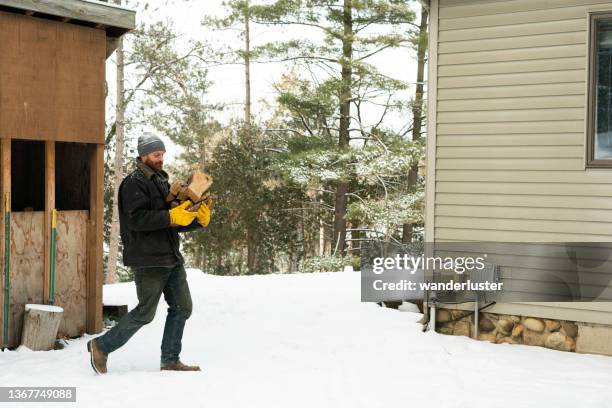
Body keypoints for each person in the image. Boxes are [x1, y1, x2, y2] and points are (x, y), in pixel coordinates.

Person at [87, 132, 211, 374]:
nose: (160, 158)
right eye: (156, 154)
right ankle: (101, 346)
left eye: (162, 154)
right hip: (148, 260)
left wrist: (198, 220)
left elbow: (173, 220)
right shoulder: (133, 183)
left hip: (171, 257)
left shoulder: (161, 181)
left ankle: (170, 359)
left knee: (183, 307)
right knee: (145, 313)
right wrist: (170, 216)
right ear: (143, 155)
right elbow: (136, 219)